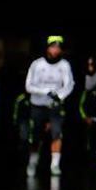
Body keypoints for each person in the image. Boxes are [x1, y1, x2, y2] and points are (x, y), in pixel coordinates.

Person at [25, 35, 74, 177]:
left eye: (58, 47)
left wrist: (60, 96)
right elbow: (28, 86)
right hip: (38, 104)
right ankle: (33, 162)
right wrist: (45, 91)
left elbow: (69, 84)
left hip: (55, 105)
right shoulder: (37, 64)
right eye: (53, 46)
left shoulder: (64, 65)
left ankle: (55, 165)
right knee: (35, 136)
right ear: (47, 48)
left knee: (57, 133)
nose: (55, 50)